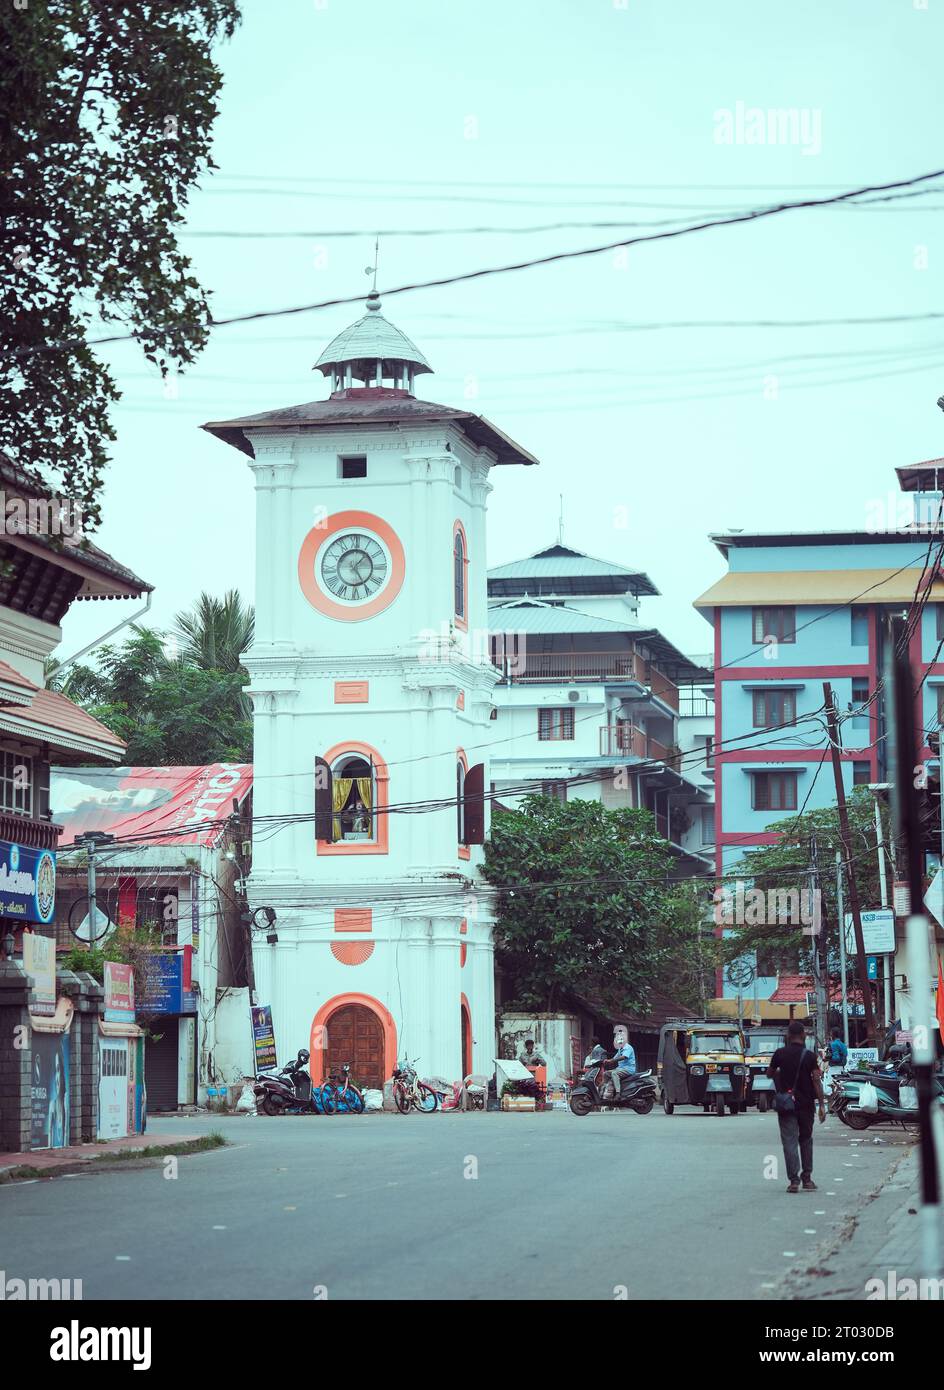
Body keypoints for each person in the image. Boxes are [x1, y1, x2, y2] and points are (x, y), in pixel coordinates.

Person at [767, 1020, 826, 1193]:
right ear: (803, 1035)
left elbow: (769, 1074)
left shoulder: (779, 1054)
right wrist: (822, 1104)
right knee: (806, 1140)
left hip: (786, 1105)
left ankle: (794, 1181)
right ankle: (807, 1179)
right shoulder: (809, 1056)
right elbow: (816, 1080)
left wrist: (780, 1072)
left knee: (789, 1142)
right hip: (806, 1105)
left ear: (788, 1036)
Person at [608, 1034, 637, 1101]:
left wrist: (612, 1060)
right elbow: (614, 1058)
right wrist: (606, 1061)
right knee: (606, 1073)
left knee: (614, 1073)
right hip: (620, 1068)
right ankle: (607, 1092)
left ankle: (618, 1093)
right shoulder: (620, 1049)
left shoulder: (627, 1047)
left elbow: (624, 1057)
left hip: (628, 1069)